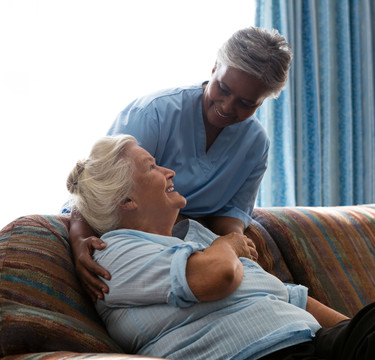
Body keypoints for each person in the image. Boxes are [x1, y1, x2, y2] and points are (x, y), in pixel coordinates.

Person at [66, 134, 375, 360]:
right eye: (152, 167)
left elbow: (293, 298)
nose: (169, 171)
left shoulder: (197, 237)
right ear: (127, 202)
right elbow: (216, 276)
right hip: (257, 355)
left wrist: (359, 334)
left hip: (308, 345)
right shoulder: (113, 253)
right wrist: (230, 242)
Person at [68, 26, 293, 301]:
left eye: (246, 103)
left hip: (203, 249)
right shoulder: (152, 115)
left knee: (285, 295)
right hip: (147, 246)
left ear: (263, 101)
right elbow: (97, 185)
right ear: (214, 68)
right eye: (223, 88)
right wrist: (79, 240)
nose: (227, 106)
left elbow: (232, 217)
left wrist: (233, 245)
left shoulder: (255, 144)